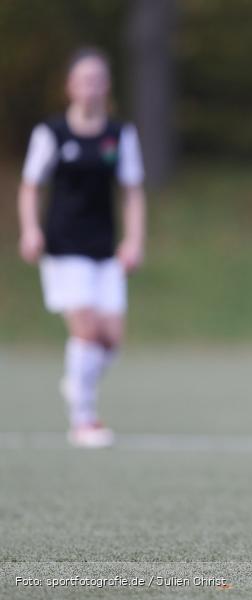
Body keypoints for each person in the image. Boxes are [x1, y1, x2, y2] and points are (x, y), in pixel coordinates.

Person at [17, 47, 146, 448]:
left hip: (104, 249)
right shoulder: (51, 134)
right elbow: (30, 186)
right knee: (87, 330)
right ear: (71, 86)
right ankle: (83, 419)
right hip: (63, 246)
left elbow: (132, 191)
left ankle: (75, 381)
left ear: (106, 86)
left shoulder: (120, 135)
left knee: (110, 340)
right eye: (83, 80)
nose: (91, 88)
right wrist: (30, 230)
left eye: (98, 80)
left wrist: (135, 239)